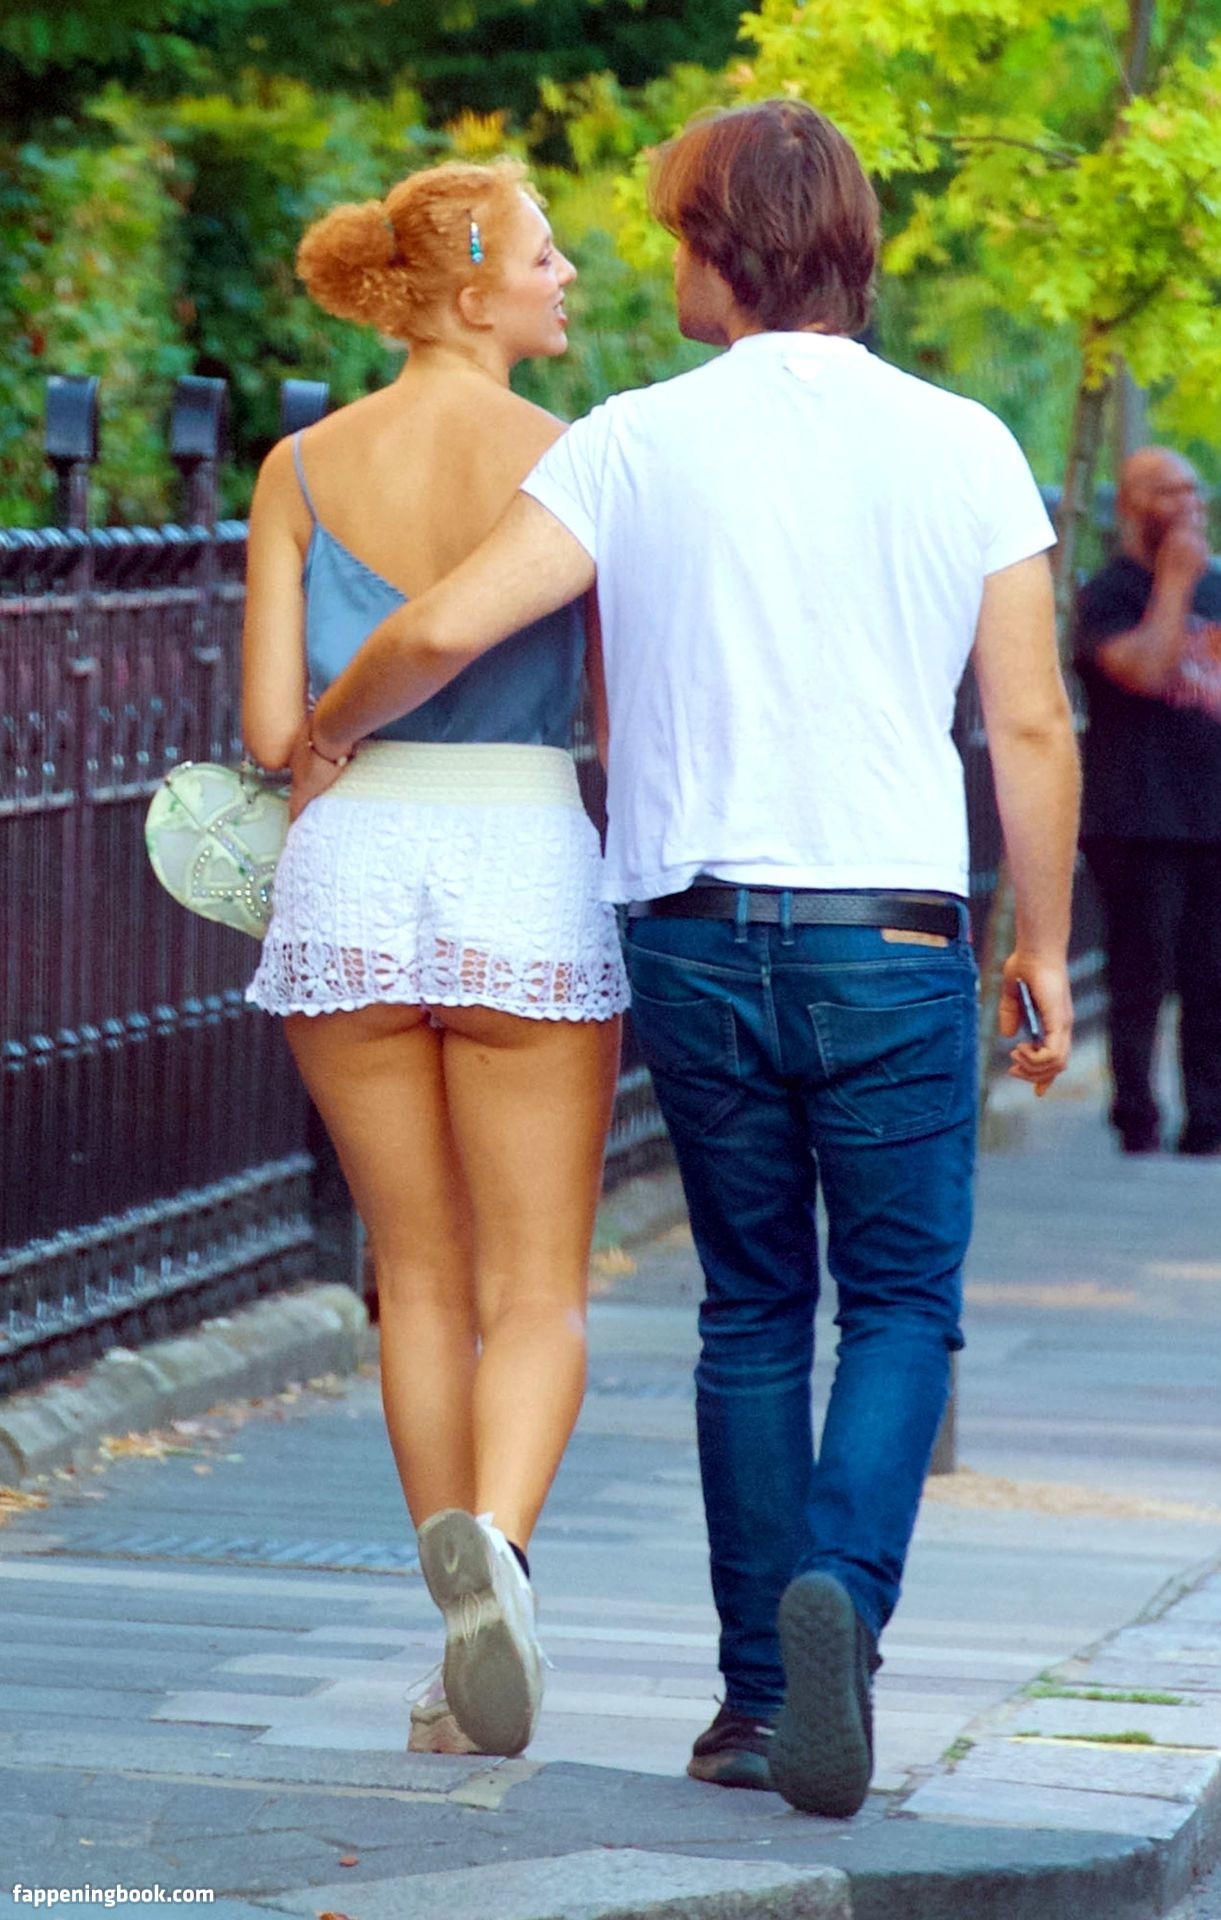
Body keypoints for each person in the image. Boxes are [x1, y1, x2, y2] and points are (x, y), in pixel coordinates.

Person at [293, 100, 1080, 1818]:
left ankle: (750, 1704)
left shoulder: (632, 440)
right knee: (900, 1306)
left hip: (698, 934)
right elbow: (1028, 721)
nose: (656, 263)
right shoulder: (966, 443)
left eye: (671, 233)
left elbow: (445, 625)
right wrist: (1045, 944)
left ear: (724, 249)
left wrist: (326, 733)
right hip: (893, 934)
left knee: (752, 1307)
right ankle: (840, 1596)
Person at [241, 157, 627, 1761]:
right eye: (545, 257)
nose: (566, 278)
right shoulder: (579, 459)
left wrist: (337, 737)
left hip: (349, 868)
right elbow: (617, 710)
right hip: (519, 855)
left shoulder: (299, 467)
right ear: (473, 288)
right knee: (537, 1286)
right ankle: (504, 1570)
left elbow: (275, 729)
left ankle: (452, 1637)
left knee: (416, 1280)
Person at [1073, 448, 1221, 1158]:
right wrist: (1172, 583)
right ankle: (1135, 1119)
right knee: (1140, 976)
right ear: (1131, 505)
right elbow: (1141, 670)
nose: (1189, 504)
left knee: (1216, 979)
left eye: (1193, 490)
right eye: (1170, 492)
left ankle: (1209, 1124)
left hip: (1220, 819)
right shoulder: (1109, 594)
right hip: (1138, 820)